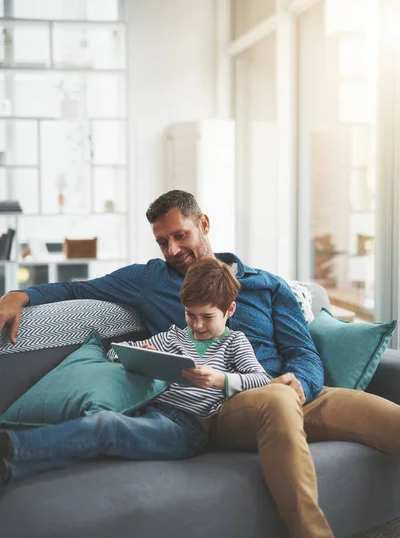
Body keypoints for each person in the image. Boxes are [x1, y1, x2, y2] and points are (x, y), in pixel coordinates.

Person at [1, 190, 399, 538]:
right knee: (275, 400)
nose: (172, 250)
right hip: (223, 407)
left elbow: (303, 353)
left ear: (203, 224)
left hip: (291, 390)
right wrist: (18, 296)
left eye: (180, 235)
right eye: (162, 242)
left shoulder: (268, 285)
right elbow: (76, 288)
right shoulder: (150, 281)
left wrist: (303, 384)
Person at [0, 257, 271, 485]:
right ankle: (13, 471)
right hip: (151, 411)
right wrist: (141, 353)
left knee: (106, 425)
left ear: (229, 310)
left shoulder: (234, 342)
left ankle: (14, 443)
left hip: (188, 428)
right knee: (99, 441)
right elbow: (114, 351)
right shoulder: (172, 337)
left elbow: (263, 379)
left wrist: (220, 380)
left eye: (207, 317)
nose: (197, 325)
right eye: (190, 314)